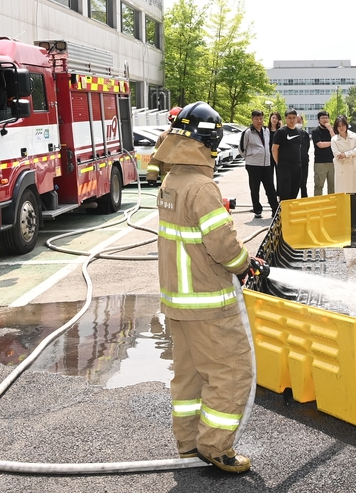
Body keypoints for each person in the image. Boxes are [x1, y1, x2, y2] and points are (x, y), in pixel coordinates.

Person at [152, 101, 262, 473]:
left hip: (177, 303)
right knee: (232, 372)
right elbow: (223, 245)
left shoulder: (172, 181)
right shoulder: (202, 187)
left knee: (190, 376)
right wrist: (245, 265)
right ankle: (215, 447)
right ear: (208, 142)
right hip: (208, 303)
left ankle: (188, 444)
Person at [239, 109, 278, 218]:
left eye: (261, 118)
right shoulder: (248, 132)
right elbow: (242, 148)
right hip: (253, 165)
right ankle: (257, 209)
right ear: (252, 120)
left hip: (266, 164)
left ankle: (275, 209)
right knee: (254, 188)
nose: (259, 121)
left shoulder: (266, 130)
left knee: (270, 187)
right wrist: (250, 157)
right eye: (256, 119)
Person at [271, 109, 306, 201]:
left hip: (297, 166)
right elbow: (274, 149)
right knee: (285, 193)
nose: (292, 120)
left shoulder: (299, 132)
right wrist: (279, 163)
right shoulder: (281, 132)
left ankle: (291, 214)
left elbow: (299, 146)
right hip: (284, 167)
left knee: (294, 192)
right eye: (289, 118)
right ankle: (282, 214)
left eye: (294, 118)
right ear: (285, 119)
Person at [145, 106, 182, 185]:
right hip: (170, 178)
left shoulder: (189, 137)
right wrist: (151, 176)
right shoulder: (164, 137)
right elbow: (156, 157)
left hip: (180, 177)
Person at [331, 115, 356, 193]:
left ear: (346, 125)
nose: (341, 128)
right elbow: (337, 154)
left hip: (354, 166)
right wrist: (352, 153)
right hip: (342, 169)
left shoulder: (354, 136)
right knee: (343, 190)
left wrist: (345, 154)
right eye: (339, 126)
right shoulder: (334, 139)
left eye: (343, 125)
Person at [310, 110, 335, 196]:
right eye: (322, 118)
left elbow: (336, 140)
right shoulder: (315, 131)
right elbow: (320, 144)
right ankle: (318, 205)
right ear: (318, 120)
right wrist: (332, 143)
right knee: (319, 185)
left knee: (333, 186)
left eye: (326, 117)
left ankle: (332, 205)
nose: (325, 120)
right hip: (320, 162)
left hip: (333, 162)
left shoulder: (332, 131)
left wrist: (330, 129)